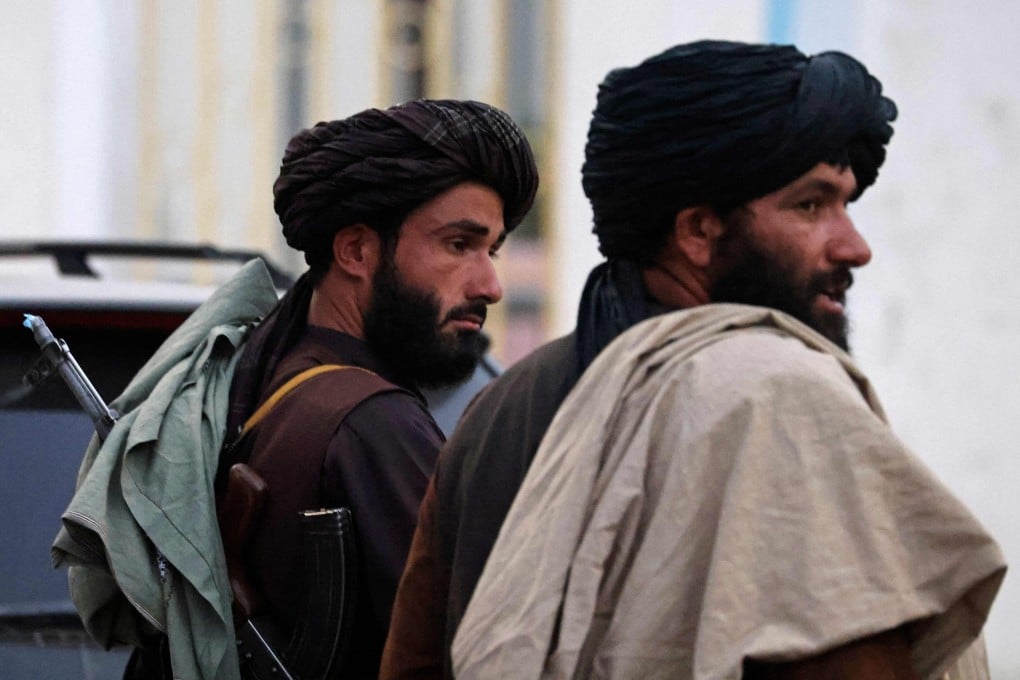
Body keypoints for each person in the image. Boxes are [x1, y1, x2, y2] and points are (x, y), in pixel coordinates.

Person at [381, 42, 1006, 679]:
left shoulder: (500, 407)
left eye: (847, 204)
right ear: (698, 231)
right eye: (811, 205)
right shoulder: (780, 396)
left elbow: (411, 665)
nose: (854, 246)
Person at [220, 99, 538, 678]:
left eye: (491, 250)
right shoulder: (372, 424)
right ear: (357, 250)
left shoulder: (282, 379)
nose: (491, 285)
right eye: (458, 245)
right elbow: (473, 648)